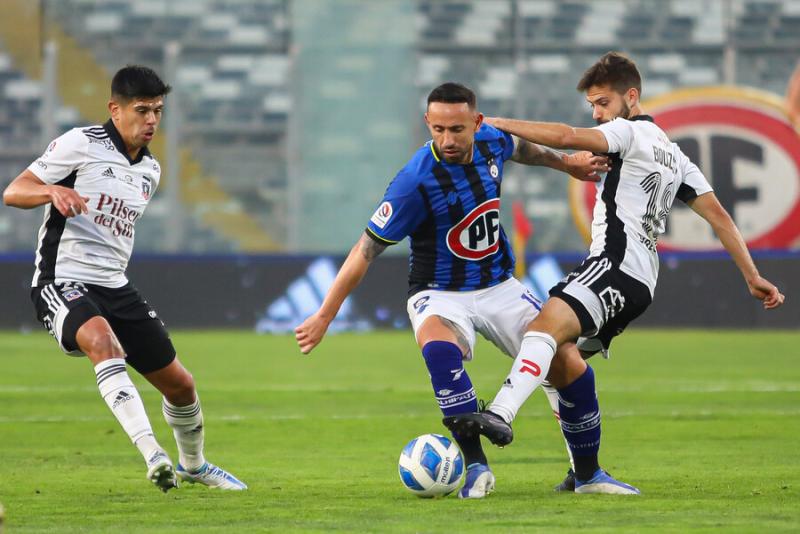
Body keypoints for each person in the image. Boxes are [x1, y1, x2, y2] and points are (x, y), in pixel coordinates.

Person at [445, 52, 785, 494]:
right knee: (560, 364)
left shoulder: (628, 132)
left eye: (603, 103)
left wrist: (493, 123)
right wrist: (752, 275)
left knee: (543, 327)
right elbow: (719, 216)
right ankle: (585, 472)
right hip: (642, 282)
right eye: (592, 105)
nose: (597, 114)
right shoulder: (674, 154)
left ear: (631, 96)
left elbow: (567, 137)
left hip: (614, 264)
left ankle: (500, 413)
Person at [294, 82, 610, 498]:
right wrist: (325, 315)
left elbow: (522, 149)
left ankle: (588, 475)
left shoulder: (491, 140)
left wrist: (566, 163)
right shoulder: (415, 181)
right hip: (437, 291)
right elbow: (364, 250)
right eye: (439, 129)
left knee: (568, 361)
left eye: (457, 129)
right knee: (440, 352)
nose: (448, 140)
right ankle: (476, 466)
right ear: (428, 122)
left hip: (498, 285)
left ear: (476, 123)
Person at [2, 65, 247, 492]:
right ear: (115, 109)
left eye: (158, 111)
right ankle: (154, 455)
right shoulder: (80, 143)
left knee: (181, 385)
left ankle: (194, 465)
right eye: (142, 110)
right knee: (104, 343)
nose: (151, 120)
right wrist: (51, 190)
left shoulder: (150, 170)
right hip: (61, 279)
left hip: (115, 285)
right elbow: (13, 191)